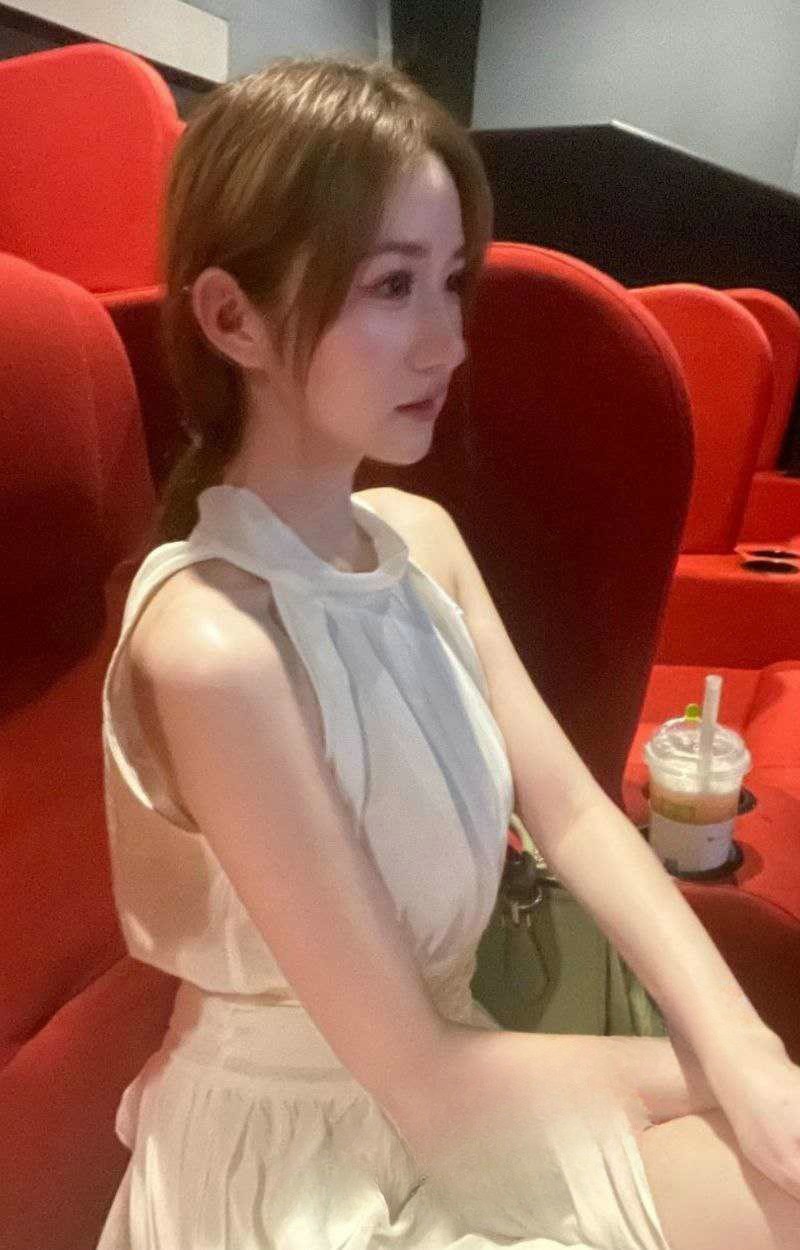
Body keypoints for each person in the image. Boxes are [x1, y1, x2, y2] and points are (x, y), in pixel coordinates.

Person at [97, 55, 800, 1249]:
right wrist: (734, 1077)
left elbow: (571, 811)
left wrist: (743, 1047)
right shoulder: (211, 642)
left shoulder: (419, 538)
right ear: (231, 318)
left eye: (449, 283)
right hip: (300, 1159)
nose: (447, 342)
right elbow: (418, 1071)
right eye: (390, 286)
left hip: (466, 1083)